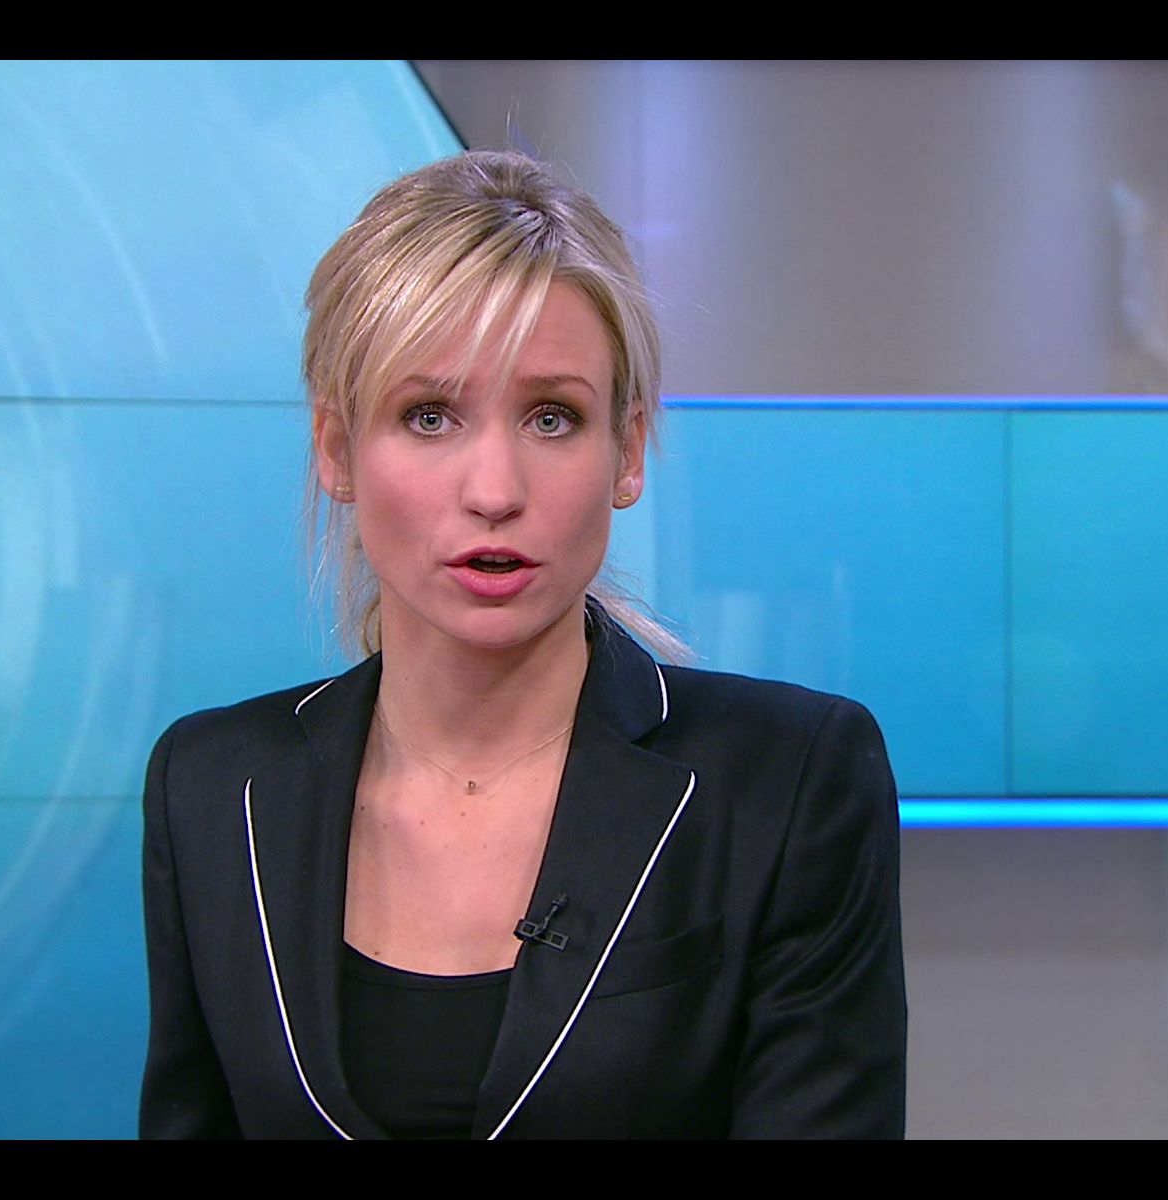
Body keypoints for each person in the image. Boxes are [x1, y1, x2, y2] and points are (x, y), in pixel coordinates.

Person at [139, 149, 906, 1139]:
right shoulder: (213, 787)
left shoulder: (788, 783)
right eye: (429, 416)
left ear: (627, 450)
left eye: (552, 417)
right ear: (336, 448)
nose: (495, 490)